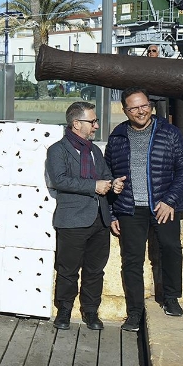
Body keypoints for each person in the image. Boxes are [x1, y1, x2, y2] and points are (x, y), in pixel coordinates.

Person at [105, 87, 183, 332]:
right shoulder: (118, 136)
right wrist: (113, 211)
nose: (140, 111)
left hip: (163, 205)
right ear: (125, 111)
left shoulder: (169, 132)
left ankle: (171, 298)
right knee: (131, 260)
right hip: (130, 207)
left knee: (171, 248)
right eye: (133, 108)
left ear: (151, 106)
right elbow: (108, 173)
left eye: (143, 105)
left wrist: (170, 200)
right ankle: (134, 312)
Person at [46, 102, 125, 331]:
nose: (97, 126)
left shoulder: (94, 151)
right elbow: (59, 180)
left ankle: (91, 311)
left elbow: (105, 177)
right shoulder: (57, 150)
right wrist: (94, 186)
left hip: (99, 220)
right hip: (72, 220)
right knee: (67, 270)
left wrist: (114, 185)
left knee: (94, 271)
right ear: (76, 124)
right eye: (92, 121)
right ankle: (64, 311)